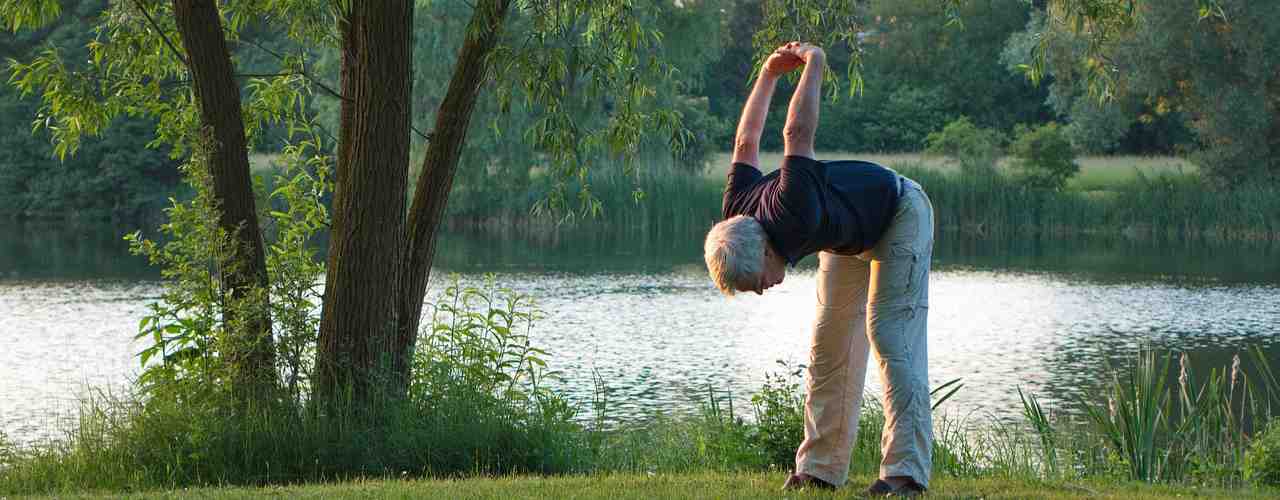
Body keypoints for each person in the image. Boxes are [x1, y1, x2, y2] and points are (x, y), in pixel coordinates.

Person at [703, 41, 935, 497]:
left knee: (889, 333)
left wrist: (815, 64)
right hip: (847, 235)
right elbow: (745, 141)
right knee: (829, 345)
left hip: (900, 212)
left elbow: (796, 134)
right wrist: (767, 74)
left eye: (756, 284)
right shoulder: (736, 211)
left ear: (765, 252)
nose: (763, 291)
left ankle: (905, 475)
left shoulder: (791, 211)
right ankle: (820, 470)